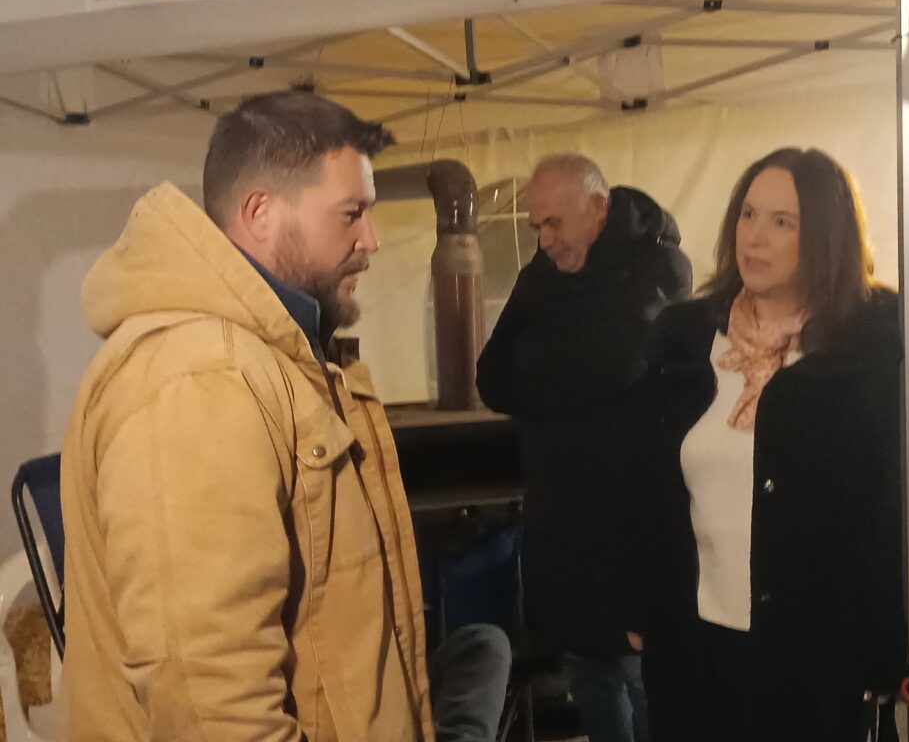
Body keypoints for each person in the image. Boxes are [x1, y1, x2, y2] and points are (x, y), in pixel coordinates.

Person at [60, 91, 510, 742]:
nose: (371, 241)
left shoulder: (271, 360)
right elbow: (212, 705)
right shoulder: (200, 380)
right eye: (351, 213)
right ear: (260, 213)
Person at [630, 147, 907, 742]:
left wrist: (888, 651)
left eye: (783, 222)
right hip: (695, 649)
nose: (755, 237)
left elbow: (887, 512)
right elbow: (648, 487)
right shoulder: (684, 341)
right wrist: (640, 602)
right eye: (749, 214)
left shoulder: (870, 351)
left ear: (826, 237)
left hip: (815, 660)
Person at [475, 153, 692, 742]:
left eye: (554, 223)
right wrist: (561, 373)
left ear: (598, 208)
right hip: (562, 531)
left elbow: (618, 361)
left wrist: (539, 367)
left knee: (646, 687)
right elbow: (491, 376)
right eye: (536, 226)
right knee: (590, 680)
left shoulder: (658, 266)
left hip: (632, 532)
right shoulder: (540, 277)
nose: (544, 240)